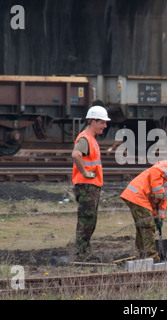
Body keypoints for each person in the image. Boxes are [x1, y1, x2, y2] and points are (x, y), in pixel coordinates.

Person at [120, 160, 167, 262]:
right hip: (138, 195)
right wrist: (158, 190)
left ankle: (142, 254)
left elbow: (163, 201)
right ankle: (151, 257)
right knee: (148, 225)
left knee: (142, 226)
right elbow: (155, 171)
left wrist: (159, 216)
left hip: (140, 197)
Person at [71, 104, 110, 260]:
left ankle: (84, 251)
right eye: (102, 122)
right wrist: (84, 172)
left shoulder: (91, 139)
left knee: (90, 221)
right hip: (87, 186)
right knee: (87, 221)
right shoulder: (85, 138)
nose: (105, 126)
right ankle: (82, 254)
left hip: (92, 186)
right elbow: (75, 155)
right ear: (93, 121)